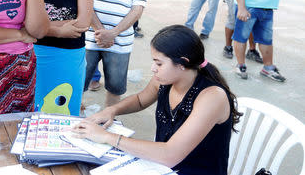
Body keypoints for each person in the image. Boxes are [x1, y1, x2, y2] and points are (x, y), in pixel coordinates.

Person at [73, 25, 241, 175]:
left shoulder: (211, 97)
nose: (153, 68)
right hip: (160, 166)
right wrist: (112, 110)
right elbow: (140, 100)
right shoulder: (165, 79)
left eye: (159, 64)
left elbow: (169, 155)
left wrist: (107, 137)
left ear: (183, 63)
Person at [32, 0, 93, 116]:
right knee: (35, 106)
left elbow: (83, 24)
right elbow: (25, 24)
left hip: (70, 56)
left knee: (65, 107)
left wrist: (42, 28)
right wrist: (59, 29)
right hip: (36, 53)